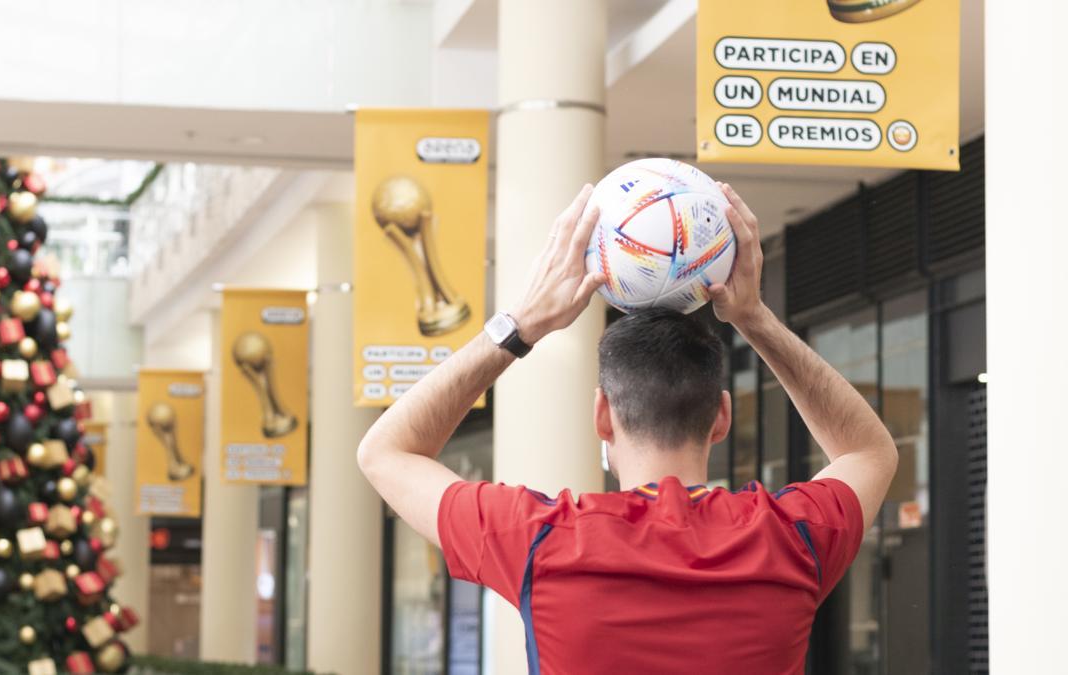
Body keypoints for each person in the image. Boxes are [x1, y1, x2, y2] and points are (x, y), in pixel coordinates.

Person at [357, 183, 898, 673]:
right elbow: (869, 451)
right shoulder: (791, 538)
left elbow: (386, 452)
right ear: (722, 418)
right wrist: (754, 318)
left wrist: (520, 325)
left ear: (602, 416)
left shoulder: (540, 541)